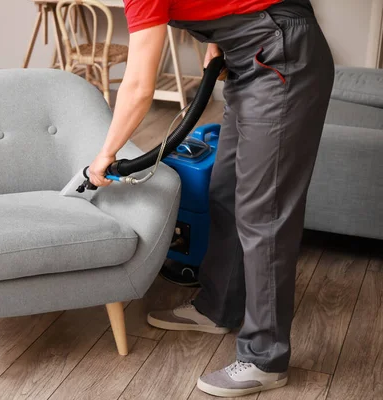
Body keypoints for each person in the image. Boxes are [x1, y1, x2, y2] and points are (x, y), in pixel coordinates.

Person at [87, 0, 334, 397]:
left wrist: (105, 154)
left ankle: (265, 358)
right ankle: (218, 307)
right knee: (227, 190)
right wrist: (225, 31)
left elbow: (137, 87)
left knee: (263, 212)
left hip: (280, 57)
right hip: (250, 57)